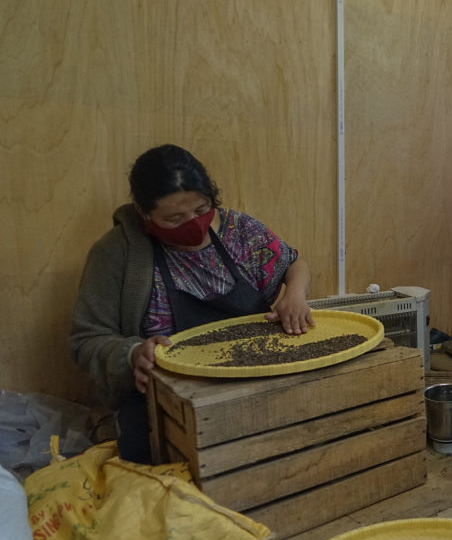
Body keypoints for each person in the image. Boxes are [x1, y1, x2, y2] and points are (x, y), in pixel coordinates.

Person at [70, 144, 314, 463]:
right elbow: (86, 339)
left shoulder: (239, 231)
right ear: (144, 214)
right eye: (174, 218)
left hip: (254, 381)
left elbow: (294, 264)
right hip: (164, 403)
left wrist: (294, 294)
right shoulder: (117, 254)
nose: (194, 224)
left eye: (201, 210)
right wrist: (131, 354)